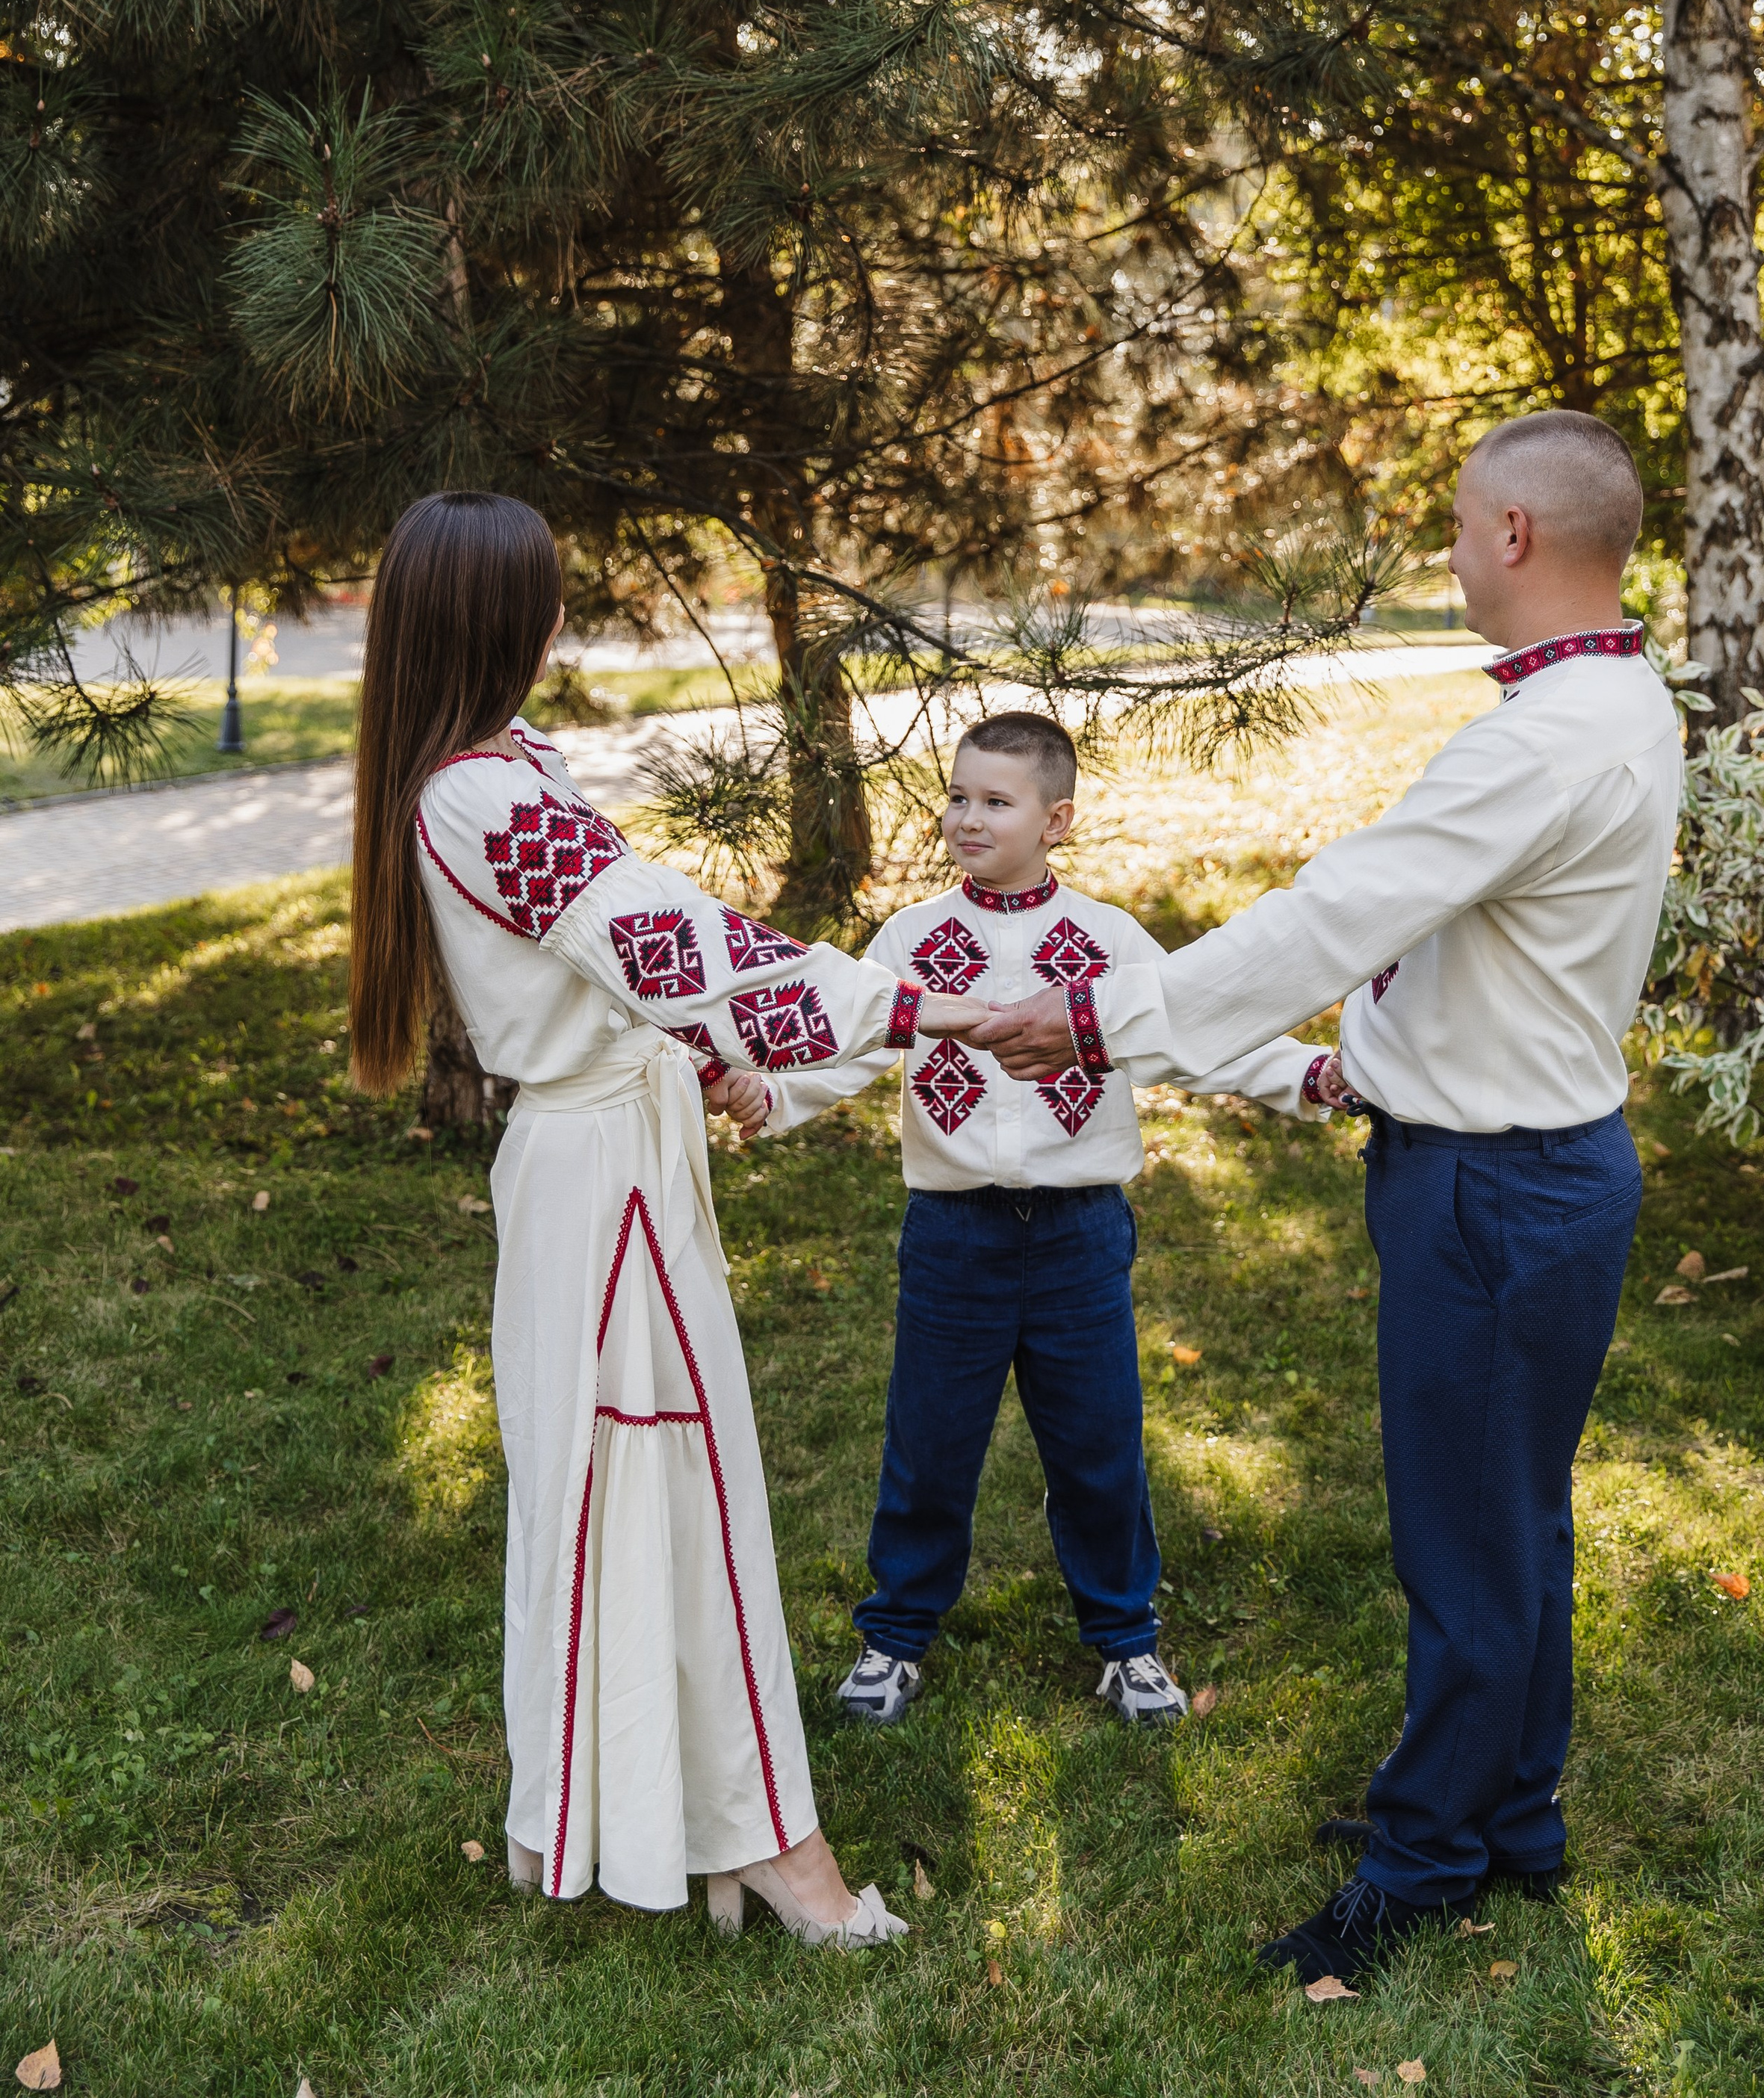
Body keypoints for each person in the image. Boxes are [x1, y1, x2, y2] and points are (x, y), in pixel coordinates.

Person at [962, 414, 1681, 1982]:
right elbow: (1452, 936)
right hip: (1545, 1164)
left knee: (1464, 1540)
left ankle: (1428, 1857)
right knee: (1514, 1520)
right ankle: (1513, 1819)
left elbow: (1344, 904)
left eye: (1452, 522)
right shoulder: (1619, 694)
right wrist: (1362, 1049)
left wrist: (1099, 1016)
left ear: (1508, 537)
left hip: (1489, 1191)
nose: (1443, 548)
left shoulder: (1546, 732)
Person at [347, 491, 982, 1944]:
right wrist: (926, 1007)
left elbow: (622, 971)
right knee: (667, 1494)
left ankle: (602, 1814)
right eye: (546, 597)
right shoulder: (481, 796)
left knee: (625, 1491)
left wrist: (718, 1056)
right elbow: (669, 940)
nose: (563, 616)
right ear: (506, 624)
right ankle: (771, 1849)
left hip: (606, 1164)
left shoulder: (499, 771)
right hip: (602, 1194)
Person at [723, 711, 1341, 1733]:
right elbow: (850, 1046)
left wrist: (1307, 1078)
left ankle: (1127, 1641)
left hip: (1078, 1236)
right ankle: (895, 1637)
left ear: (1057, 820)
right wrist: (772, 1095)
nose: (968, 817)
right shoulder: (913, 939)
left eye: (996, 802)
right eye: (958, 796)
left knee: (1098, 1447)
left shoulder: (1104, 940)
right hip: (954, 1236)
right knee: (930, 1446)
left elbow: (1197, 1036)